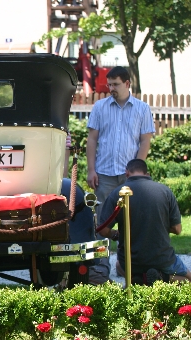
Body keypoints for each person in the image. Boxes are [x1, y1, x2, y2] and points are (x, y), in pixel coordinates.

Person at [86, 66, 155, 284]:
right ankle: (99, 270)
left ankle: (129, 268)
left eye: (115, 84)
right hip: (104, 174)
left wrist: (138, 170)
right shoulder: (100, 107)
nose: (111, 88)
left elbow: (145, 140)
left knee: (132, 223)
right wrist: (90, 169)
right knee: (101, 224)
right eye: (109, 84)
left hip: (130, 177)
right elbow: (92, 139)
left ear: (127, 84)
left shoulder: (143, 109)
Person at [98, 159, 191, 284]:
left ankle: (139, 279)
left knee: (120, 266)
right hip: (162, 259)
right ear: (147, 174)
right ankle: (162, 278)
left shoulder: (117, 193)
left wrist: (115, 234)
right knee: (188, 278)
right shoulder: (165, 191)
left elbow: (103, 230)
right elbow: (177, 229)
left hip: (131, 262)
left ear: (127, 173)